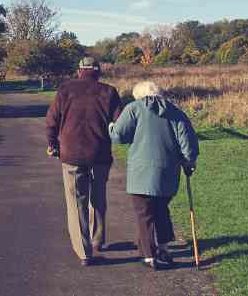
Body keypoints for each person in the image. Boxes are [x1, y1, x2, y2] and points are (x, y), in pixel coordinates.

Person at [109, 81, 199, 270]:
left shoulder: (134, 108)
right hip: (168, 173)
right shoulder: (176, 112)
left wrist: (111, 126)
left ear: (139, 95)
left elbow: (118, 136)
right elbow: (188, 144)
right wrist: (189, 162)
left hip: (140, 174)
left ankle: (150, 256)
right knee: (161, 210)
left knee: (144, 214)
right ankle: (164, 249)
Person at [46, 57, 122, 266]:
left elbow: (52, 119)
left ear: (80, 70)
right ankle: (98, 240)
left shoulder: (65, 90)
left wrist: (52, 143)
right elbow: (120, 123)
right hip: (100, 154)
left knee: (76, 202)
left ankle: (84, 252)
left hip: (71, 154)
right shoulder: (109, 91)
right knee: (98, 197)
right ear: (97, 71)